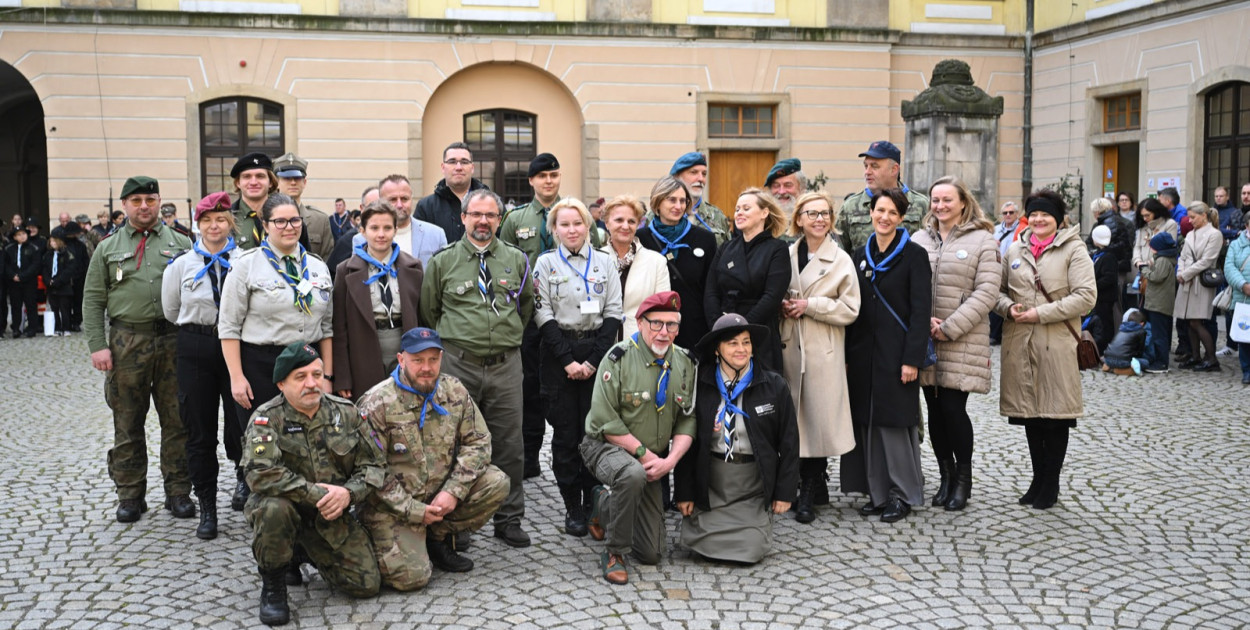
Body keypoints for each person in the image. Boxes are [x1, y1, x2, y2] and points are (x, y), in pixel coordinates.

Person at [420, 188, 535, 548]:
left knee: (509, 445)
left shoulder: (516, 260)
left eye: (490, 216)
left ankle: (509, 518)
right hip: (459, 365)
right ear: (464, 218)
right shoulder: (443, 262)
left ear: (499, 220)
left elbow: (526, 306)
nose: (483, 221)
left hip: (505, 365)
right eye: (476, 214)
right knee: (454, 444)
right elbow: (430, 310)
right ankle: (460, 521)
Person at [240, 341, 384, 626]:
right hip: (287, 511)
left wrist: (348, 494)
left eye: (317, 375)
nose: (311, 384)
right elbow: (260, 473)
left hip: (331, 513)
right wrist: (316, 494)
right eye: (300, 377)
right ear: (281, 383)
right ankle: (273, 585)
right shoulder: (266, 420)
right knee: (273, 508)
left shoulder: (347, 413)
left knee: (365, 585)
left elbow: (376, 465)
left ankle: (303, 551)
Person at [356, 327, 509, 591]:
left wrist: (453, 491)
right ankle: (386, 538)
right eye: (417, 360)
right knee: (411, 579)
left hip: (439, 497)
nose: (426, 368)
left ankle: (437, 538)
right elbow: (371, 472)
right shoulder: (377, 402)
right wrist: (414, 511)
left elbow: (479, 442)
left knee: (497, 482)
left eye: (433, 360)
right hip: (394, 505)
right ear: (401, 359)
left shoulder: (454, 391)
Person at [82, 176, 195, 522]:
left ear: (159, 201)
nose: (144, 206)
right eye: (136, 201)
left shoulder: (182, 243)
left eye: (150, 199)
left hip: (173, 340)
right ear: (125, 205)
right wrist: (98, 346)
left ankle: (178, 491)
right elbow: (93, 298)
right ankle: (130, 495)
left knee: (177, 420)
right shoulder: (107, 247)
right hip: (127, 342)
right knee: (127, 420)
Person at [219, 193, 335, 512]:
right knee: (263, 442)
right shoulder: (246, 266)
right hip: (260, 364)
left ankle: (304, 505)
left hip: (306, 365)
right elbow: (228, 326)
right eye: (280, 221)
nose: (289, 227)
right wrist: (236, 377)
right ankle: (267, 510)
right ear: (266, 225)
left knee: (304, 439)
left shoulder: (317, 267)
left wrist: (326, 375)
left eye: (294, 220)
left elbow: (327, 328)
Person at [580, 291, 695, 584]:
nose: (663, 333)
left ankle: (604, 504)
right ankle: (614, 552)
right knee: (631, 474)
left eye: (671, 325)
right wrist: (645, 455)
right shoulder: (617, 358)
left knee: (651, 553)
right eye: (656, 324)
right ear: (640, 324)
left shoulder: (684, 363)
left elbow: (687, 420)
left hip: (653, 459)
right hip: (605, 447)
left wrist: (669, 461)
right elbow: (606, 422)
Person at [996, 189, 1096, 510]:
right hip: (1020, 344)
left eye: (1046, 214)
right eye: (1034, 214)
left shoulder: (1073, 249)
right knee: (1030, 416)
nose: (1039, 219)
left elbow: (1085, 297)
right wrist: (1008, 308)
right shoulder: (1014, 249)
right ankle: (1037, 480)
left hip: (1056, 345)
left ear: (1058, 218)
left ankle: (1049, 484)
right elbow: (995, 291)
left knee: (1054, 415)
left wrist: (1040, 313)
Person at [674, 313, 799, 563]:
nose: (741, 349)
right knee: (697, 547)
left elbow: (790, 442)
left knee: (750, 550)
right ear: (717, 350)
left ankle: (755, 526)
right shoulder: (701, 384)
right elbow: (687, 441)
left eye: (746, 342)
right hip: (712, 484)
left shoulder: (774, 385)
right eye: (732, 343)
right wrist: (684, 492)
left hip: (752, 486)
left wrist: (785, 493)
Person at [533, 198, 624, 536]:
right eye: (564, 224)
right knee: (566, 434)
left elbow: (614, 312)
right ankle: (572, 505)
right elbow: (542, 313)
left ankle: (593, 501)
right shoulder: (544, 264)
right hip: (558, 353)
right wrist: (569, 361)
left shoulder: (605, 262)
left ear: (589, 226)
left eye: (577, 223)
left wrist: (591, 361)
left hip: (597, 349)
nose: (571, 230)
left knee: (595, 431)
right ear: (554, 230)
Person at [841, 188, 932, 523]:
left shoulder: (914, 256)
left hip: (897, 354)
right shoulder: (859, 255)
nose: (884, 217)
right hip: (864, 353)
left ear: (902, 217)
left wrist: (913, 359)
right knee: (868, 421)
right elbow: (852, 309)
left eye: (892, 213)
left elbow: (921, 313)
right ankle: (877, 493)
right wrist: (848, 354)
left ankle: (903, 494)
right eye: (880, 211)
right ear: (871, 213)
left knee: (895, 424)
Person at [912, 176, 1001, 512]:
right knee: (934, 410)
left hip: (961, 338)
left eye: (947, 200)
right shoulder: (919, 238)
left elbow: (987, 293)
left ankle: (963, 479)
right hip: (925, 337)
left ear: (964, 202)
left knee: (953, 409)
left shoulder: (983, 240)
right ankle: (945, 476)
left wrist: (949, 327)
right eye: (935, 200)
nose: (940, 206)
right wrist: (923, 324)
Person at [161, 192, 242, 539]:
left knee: (241, 421)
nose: (214, 226)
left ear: (230, 224)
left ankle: (246, 483)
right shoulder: (181, 264)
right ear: (198, 224)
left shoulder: (245, 260)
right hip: (195, 344)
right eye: (207, 220)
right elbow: (170, 309)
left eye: (221, 219)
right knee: (198, 427)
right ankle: (207, 504)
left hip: (237, 345)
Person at [779, 191, 861, 524]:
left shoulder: (840, 259)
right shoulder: (786, 255)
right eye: (811, 214)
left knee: (816, 421)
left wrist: (811, 306)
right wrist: (784, 304)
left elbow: (850, 308)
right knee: (792, 422)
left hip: (821, 348)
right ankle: (797, 484)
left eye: (825, 213)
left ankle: (811, 490)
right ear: (798, 219)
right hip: (789, 347)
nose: (819, 219)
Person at [499, 152, 569, 481]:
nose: (548, 181)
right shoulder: (516, 219)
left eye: (553, 175)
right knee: (528, 388)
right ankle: (530, 456)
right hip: (527, 317)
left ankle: (570, 455)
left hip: (567, 316)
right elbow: (505, 264)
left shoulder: (573, 214)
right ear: (531, 181)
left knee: (563, 388)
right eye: (542, 176)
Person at [331, 201, 423, 402]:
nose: (381, 234)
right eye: (374, 228)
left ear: (396, 230)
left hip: (403, 343)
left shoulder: (413, 267)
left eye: (387, 228)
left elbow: (422, 317)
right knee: (370, 409)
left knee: (405, 407)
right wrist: (343, 378)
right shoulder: (345, 270)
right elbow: (339, 329)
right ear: (362, 231)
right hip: (363, 348)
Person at [704, 187, 791, 371]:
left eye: (746, 208)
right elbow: (710, 290)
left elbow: (772, 297)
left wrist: (742, 328)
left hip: (759, 332)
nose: (739, 213)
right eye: (737, 209)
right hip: (723, 331)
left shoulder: (777, 249)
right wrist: (718, 327)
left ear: (764, 213)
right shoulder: (726, 248)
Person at [637, 175, 718, 349]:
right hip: (654, 329)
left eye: (682, 201)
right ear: (658, 202)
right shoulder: (640, 239)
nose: (678, 206)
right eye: (671, 200)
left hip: (694, 330)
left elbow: (712, 288)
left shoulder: (705, 238)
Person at [836, 141, 930, 252]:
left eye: (874, 167)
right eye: (866, 166)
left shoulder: (921, 204)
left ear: (894, 169)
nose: (867, 172)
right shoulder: (850, 206)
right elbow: (839, 251)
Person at [599, 195, 670, 340]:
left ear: (638, 225)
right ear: (607, 223)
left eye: (631, 221)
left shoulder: (657, 262)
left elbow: (662, 311)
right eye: (619, 220)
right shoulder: (594, 259)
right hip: (600, 346)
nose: (625, 226)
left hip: (641, 344)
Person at [1174, 201, 1223, 372]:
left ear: (1203, 215)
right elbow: (1183, 256)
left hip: (1201, 283)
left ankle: (1211, 358)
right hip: (1187, 281)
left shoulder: (1214, 234)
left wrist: (1185, 274)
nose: (1190, 221)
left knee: (1196, 321)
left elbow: (1207, 261)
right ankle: (1195, 356)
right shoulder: (1190, 235)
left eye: (1193, 217)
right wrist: (1180, 271)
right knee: (1189, 321)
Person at [416, 141, 490, 243]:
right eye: (452, 162)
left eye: (464, 162)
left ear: (472, 168)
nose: (458, 167)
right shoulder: (426, 207)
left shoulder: (491, 204)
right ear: (443, 167)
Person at [273, 152, 336, 261]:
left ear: (305, 182)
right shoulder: (265, 217)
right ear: (277, 182)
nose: (293, 183)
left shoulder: (320, 220)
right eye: (287, 178)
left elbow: (327, 260)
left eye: (297, 178)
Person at [379, 174, 447, 273]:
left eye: (404, 199)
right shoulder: (362, 239)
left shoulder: (436, 235)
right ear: (380, 202)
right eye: (393, 200)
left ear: (412, 199)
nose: (399, 205)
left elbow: (445, 276)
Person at [670, 151, 732, 245]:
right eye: (694, 172)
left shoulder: (717, 216)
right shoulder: (659, 214)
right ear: (677, 177)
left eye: (704, 174)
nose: (700, 179)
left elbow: (728, 254)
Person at [1139, 232, 1178, 373]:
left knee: (1159, 334)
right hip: (1159, 302)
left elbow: (1156, 277)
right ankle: (1159, 359)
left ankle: (1162, 363)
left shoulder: (1163, 260)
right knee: (1159, 333)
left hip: (1158, 303)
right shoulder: (1165, 259)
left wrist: (1144, 270)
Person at [229, 152, 277, 250]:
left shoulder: (286, 217)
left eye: (260, 176)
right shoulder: (227, 218)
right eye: (247, 176)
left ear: (271, 182)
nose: (254, 182)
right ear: (238, 183)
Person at [990, 201, 1021, 344]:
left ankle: (1000, 334)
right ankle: (994, 333)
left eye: (1011, 212)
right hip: (995, 268)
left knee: (1009, 300)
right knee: (994, 299)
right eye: (1005, 213)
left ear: (1017, 214)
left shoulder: (1022, 230)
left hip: (1014, 270)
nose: (1008, 215)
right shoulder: (994, 230)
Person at [1224, 223, 1250, 384]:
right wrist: (1243, 285)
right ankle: (1247, 370)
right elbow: (1229, 267)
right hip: (1242, 296)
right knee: (1245, 335)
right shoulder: (1236, 244)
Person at [1089, 224, 1120, 352]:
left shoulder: (1108, 256)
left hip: (1105, 297)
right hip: (1100, 296)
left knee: (1104, 324)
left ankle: (1103, 348)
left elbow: (1109, 278)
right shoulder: (1099, 254)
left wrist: (1093, 285)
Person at [4, 227, 39, 337]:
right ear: (14, 237)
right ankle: (16, 328)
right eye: (19, 234)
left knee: (31, 305)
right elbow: (5, 265)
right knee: (15, 305)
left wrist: (23, 276)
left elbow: (35, 265)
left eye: (23, 233)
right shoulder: (9, 249)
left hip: (29, 281)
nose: (22, 236)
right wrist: (12, 275)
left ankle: (32, 328)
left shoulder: (33, 248)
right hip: (14, 282)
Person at [42, 228, 75, 336]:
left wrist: (58, 281)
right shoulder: (48, 255)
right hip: (51, 286)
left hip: (63, 286)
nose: (52, 243)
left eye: (54, 241)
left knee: (64, 308)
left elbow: (69, 270)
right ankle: (57, 327)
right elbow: (45, 269)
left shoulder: (67, 254)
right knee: (54, 307)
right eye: (51, 241)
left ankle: (66, 327)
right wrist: (48, 281)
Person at [1101, 309, 1148, 376]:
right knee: (1146, 362)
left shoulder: (1121, 328)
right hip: (1123, 361)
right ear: (1142, 323)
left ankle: (1108, 366)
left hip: (1108, 359)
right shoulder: (1141, 331)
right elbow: (1140, 350)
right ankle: (1119, 370)